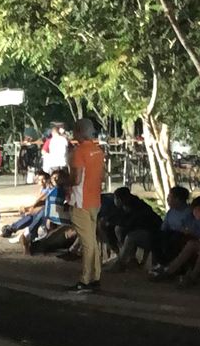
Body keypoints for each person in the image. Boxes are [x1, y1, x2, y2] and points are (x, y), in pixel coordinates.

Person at [66, 119, 105, 292]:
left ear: (79, 132)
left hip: (80, 201)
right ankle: (95, 276)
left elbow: (76, 179)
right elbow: (102, 176)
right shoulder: (98, 151)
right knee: (92, 241)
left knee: (87, 243)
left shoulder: (79, 152)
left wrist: (64, 181)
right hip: (94, 200)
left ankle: (86, 279)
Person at [152, 195, 200, 283]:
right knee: (190, 243)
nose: (195, 213)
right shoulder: (196, 220)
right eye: (194, 210)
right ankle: (169, 270)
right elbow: (193, 231)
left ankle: (193, 275)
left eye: (198, 210)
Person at [103, 185, 162, 271]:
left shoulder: (139, 207)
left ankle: (120, 263)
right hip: (140, 231)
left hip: (153, 235)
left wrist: (112, 222)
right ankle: (131, 258)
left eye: (116, 198)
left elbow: (132, 223)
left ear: (120, 199)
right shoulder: (124, 207)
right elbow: (118, 219)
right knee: (119, 229)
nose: (114, 201)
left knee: (130, 237)